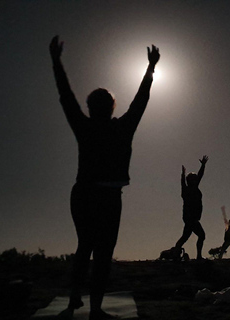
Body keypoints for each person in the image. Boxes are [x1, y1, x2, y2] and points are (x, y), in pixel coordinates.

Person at [50, 36, 160, 319]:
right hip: (105, 196)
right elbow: (140, 100)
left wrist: (56, 60)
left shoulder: (85, 126)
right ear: (111, 107)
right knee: (100, 251)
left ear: (91, 108)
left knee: (86, 246)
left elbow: (66, 96)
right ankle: (93, 306)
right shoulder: (121, 128)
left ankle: (78, 299)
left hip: (87, 194)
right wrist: (150, 69)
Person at [175, 155, 209, 260]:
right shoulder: (186, 190)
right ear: (189, 180)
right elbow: (182, 184)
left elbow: (200, 175)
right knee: (201, 235)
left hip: (193, 217)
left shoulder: (194, 188)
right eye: (193, 179)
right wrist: (183, 175)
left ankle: (176, 253)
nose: (195, 180)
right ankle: (198, 256)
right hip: (190, 218)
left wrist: (203, 165)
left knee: (185, 236)